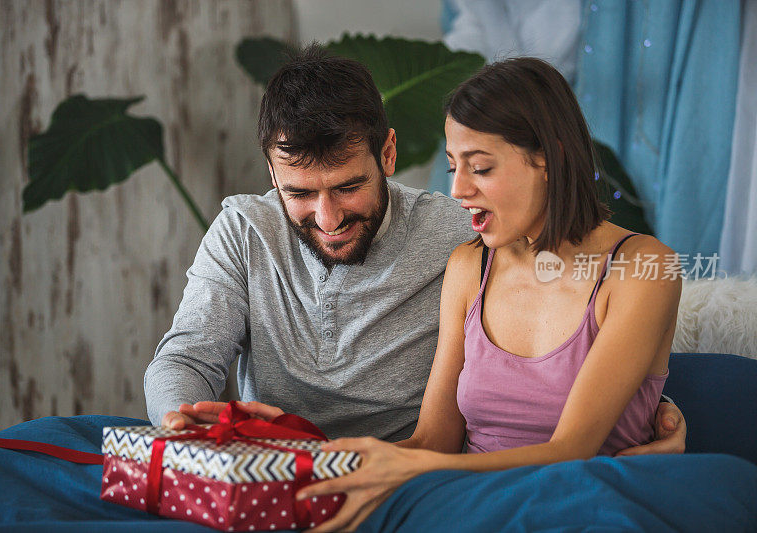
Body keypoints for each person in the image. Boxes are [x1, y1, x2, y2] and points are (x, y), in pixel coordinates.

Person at [144, 46, 684, 451]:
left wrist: (636, 406)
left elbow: (575, 291)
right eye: (301, 193)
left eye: (349, 187)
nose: (327, 218)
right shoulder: (243, 231)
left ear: (389, 152)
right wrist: (187, 429)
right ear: (271, 172)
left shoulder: (466, 234)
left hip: (406, 474)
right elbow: (186, 357)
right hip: (289, 465)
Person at [293, 57, 685, 532]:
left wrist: (413, 470)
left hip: (585, 507)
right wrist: (307, 463)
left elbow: (570, 453)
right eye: (454, 166)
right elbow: (434, 440)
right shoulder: (468, 267)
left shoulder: (643, 269)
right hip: (466, 507)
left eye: (480, 167)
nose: (457, 189)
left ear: (549, 157)